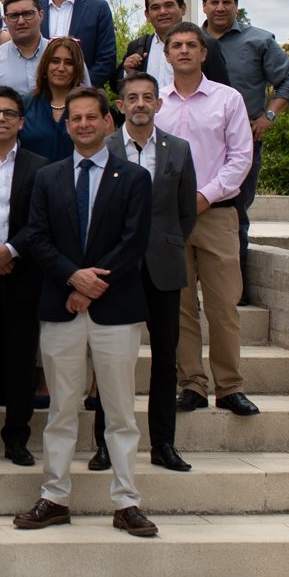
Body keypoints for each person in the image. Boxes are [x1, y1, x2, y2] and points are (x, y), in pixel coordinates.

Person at [14, 85, 158, 538]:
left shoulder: (133, 178)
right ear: (67, 124)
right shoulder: (49, 177)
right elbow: (36, 238)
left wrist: (92, 287)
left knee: (119, 412)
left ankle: (127, 502)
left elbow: (133, 242)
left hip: (115, 311)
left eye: (91, 117)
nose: (82, 124)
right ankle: (54, 497)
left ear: (107, 122)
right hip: (61, 308)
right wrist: (74, 280)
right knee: (61, 410)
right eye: (74, 118)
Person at [95, 71, 199, 473]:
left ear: (159, 103)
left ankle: (163, 445)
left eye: (148, 97)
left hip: (164, 267)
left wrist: (165, 244)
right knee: (110, 359)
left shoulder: (179, 150)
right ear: (120, 106)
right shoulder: (103, 148)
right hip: (116, 269)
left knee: (165, 359)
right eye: (132, 97)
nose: (140, 104)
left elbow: (186, 213)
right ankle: (105, 446)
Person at [155, 21, 258, 417]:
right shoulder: (157, 102)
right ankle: (192, 385)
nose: (183, 51)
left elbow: (240, 159)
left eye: (191, 45)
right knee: (179, 307)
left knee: (223, 306)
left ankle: (230, 387)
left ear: (204, 53)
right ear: (166, 55)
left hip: (215, 215)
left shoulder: (228, 100)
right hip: (168, 219)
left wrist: (202, 196)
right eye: (176, 45)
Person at [200, 0, 289, 301]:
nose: (219, 8)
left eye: (226, 2)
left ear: (236, 5)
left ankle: (235, 291)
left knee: (235, 213)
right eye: (213, 2)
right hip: (197, 143)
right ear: (203, 6)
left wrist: (268, 116)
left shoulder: (258, 41)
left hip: (242, 144)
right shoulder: (189, 40)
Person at [0, 85, 48, 467]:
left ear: (21, 122)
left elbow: (42, 222)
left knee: (21, 362)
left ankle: (17, 437)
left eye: (9, 113)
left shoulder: (42, 167)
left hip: (23, 274)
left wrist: (10, 250)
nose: (0, 118)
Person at [36, 0, 118, 93]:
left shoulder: (98, 8)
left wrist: (79, 89)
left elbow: (106, 60)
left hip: (84, 100)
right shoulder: (33, 9)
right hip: (40, 97)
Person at [121, 0, 230, 91]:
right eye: (155, 8)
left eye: (169, 5)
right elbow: (121, 89)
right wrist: (128, 72)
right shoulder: (138, 47)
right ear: (147, 15)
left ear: (182, 8)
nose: (163, 12)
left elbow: (220, 92)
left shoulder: (207, 44)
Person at [19, 37, 87, 163]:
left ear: (77, 69)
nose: (61, 68)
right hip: (31, 181)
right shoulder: (25, 105)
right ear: (45, 65)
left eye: (69, 63)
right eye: (55, 61)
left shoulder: (88, 108)